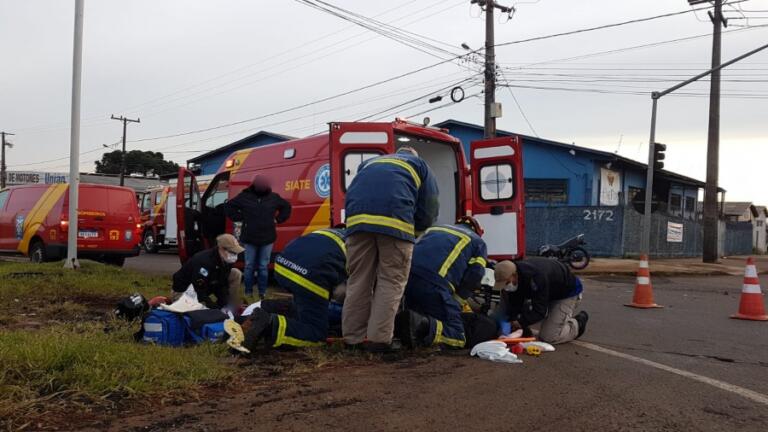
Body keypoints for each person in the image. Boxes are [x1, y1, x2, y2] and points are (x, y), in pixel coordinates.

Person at [342, 146, 439, 352]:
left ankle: (352, 339)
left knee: (358, 280)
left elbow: (355, 192)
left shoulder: (368, 163)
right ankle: (379, 340)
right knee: (390, 281)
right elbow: (429, 203)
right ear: (413, 155)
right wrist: (418, 230)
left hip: (357, 222)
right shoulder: (419, 164)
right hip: (395, 223)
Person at [242, 228, 347, 351]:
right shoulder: (365, 245)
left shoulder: (335, 232)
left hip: (282, 265)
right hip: (311, 276)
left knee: (304, 310)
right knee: (317, 334)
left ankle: (248, 321)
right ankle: (270, 324)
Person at [396, 216, 489, 349]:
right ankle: (423, 325)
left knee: (416, 317)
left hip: (407, 280)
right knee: (457, 336)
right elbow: (475, 275)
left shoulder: (433, 229)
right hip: (434, 286)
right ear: (478, 231)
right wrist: (457, 301)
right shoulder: (477, 241)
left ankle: (413, 325)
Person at [493, 257, 589, 344]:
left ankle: (578, 323)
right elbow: (515, 301)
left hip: (567, 293)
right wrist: (512, 318)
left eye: (507, 282)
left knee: (549, 337)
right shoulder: (517, 274)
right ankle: (553, 318)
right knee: (524, 315)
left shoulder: (536, 277)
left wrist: (520, 322)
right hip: (548, 292)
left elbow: (539, 311)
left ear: (514, 275)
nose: (506, 287)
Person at [224, 175, 291, 299]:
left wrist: (279, 219)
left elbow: (286, 207)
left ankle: (262, 292)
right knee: (249, 266)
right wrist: (239, 217)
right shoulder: (244, 196)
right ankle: (248, 292)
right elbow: (228, 206)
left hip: (268, 238)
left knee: (263, 267)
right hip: (249, 238)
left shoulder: (274, 198)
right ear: (254, 184)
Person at [171, 234, 244, 309]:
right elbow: (198, 289)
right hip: (185, 291)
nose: (234, 255)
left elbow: (222, 284)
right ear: (221, 248)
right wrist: (212, 306)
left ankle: (230, 304)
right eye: (232, 252)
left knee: (236, 273)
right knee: (201, 314)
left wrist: (224, 303)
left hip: (206, 287)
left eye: (236, 253)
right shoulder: (204, 261)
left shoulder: (226, 260)